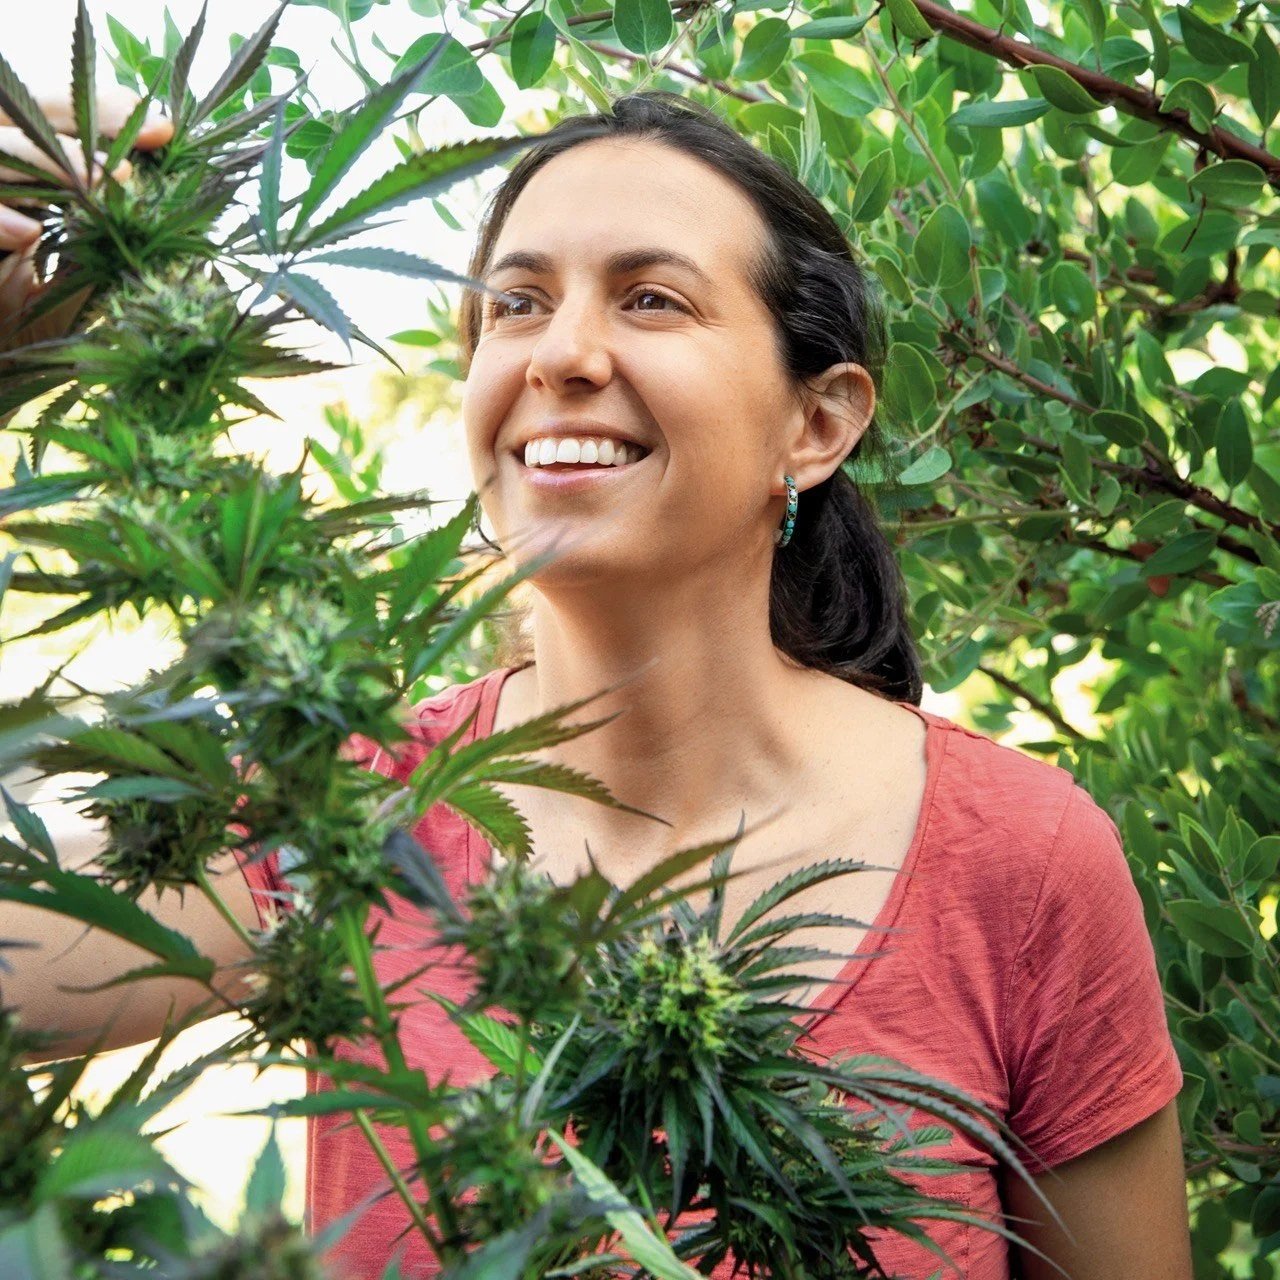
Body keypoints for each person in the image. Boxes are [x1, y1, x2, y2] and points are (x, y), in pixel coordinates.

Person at [0, 83, 1193, 1280]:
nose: (560, 354)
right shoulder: (342, 806)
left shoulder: (1022, 862)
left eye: (650, 298)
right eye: (515, 303)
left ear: (816, 424)